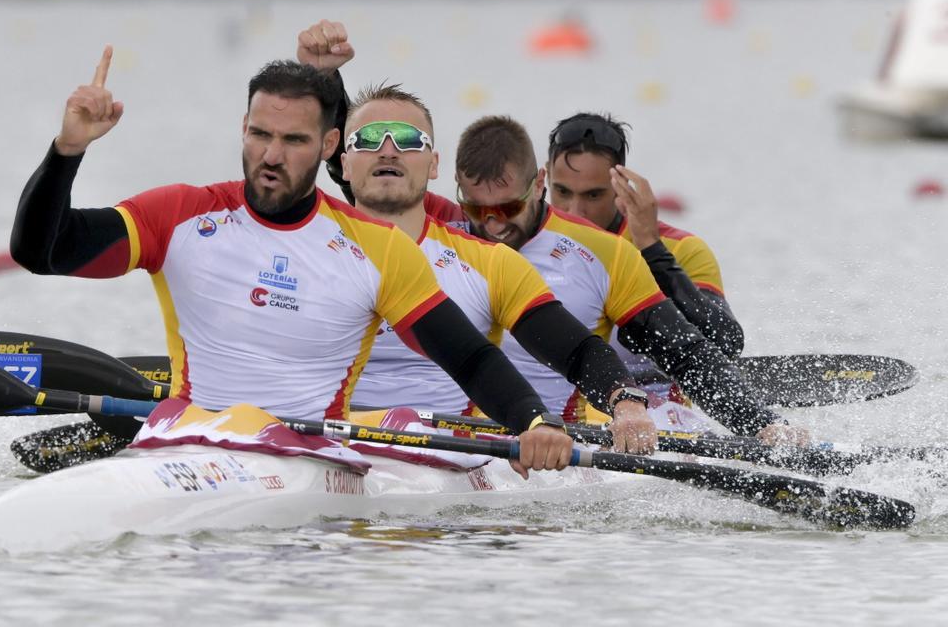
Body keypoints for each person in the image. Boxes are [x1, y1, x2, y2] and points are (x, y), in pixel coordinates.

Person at [9, 45, 574, 477]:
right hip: (182, 446)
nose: (271, 156)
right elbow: (42, 251)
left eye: (294, 140)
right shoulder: (178, 215)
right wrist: (68, 150)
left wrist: (534, 422)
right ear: (243, 129)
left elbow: (469, 358)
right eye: (259, 134)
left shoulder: (376, 250)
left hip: (308, 462)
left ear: (329, 146)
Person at [332, 81, 658, 454]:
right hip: (323, 442)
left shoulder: (490, 263)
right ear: (343, 163)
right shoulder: (306, 250)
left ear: (434, 164)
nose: (387, 151)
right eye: (368, 140)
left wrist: (626, 402)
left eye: (408, 140)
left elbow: (578, 352)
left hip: (449, 454)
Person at [438, 115, 807, 444]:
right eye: (476, 210)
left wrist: (762, 423)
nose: (493, 225)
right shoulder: (443, 230)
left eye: (508, 208)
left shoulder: (623, 251)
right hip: (479, 428)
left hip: (605, 418)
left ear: (536, 185)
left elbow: (699, 350)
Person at [545, 113, 743, 361]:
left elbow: (726, 345)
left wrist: (652, 251)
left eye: (593, 195)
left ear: (621, 186)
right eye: (562, 191)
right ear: (545, 180)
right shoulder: (517, 244)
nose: (574, 211)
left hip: (652, 396)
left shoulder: (680, 250)